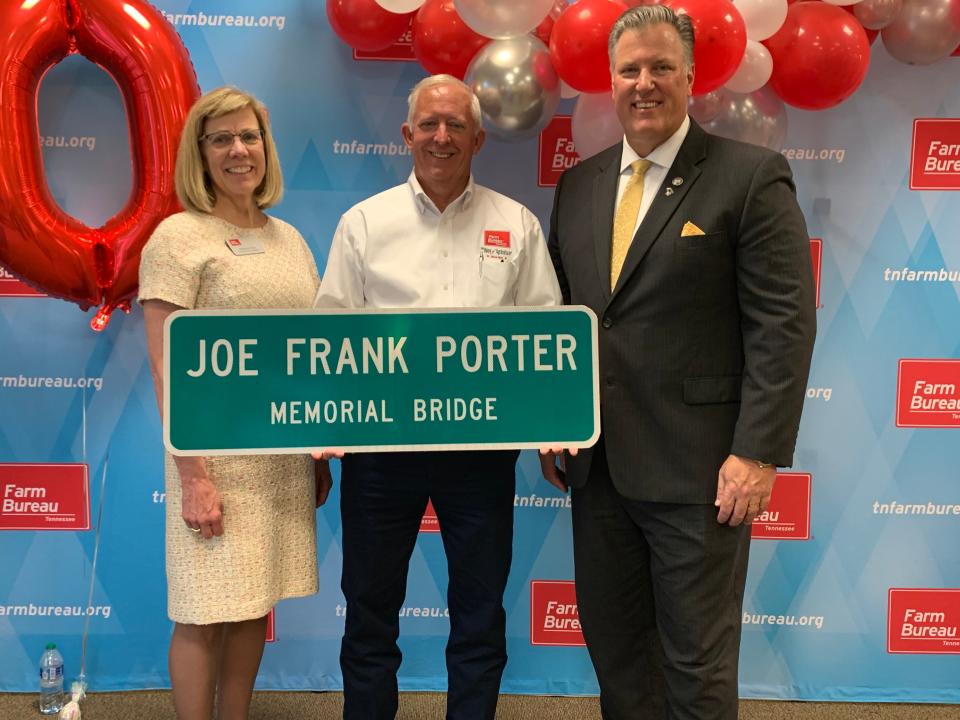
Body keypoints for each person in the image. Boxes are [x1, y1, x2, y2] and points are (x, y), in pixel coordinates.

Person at [541, 6, 817, 719]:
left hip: (702, 474)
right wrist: (551, 415)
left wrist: (757, 454)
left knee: (695, 668)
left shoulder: (751, 176)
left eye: (661, 66)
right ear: (610, 79)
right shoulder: (579, 185)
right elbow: (562, 320)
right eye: (630, 68)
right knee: (620, 658)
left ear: (691, 76)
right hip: (598, 472)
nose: (644, 83)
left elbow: (784, 325)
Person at [314, 74, 561, 720]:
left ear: (479, 138)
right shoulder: (363, 225)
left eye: (455, 125)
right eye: (429, 124)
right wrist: (320, 435)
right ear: (407, 135)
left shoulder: (518, 223)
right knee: (369, 615)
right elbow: (330, 339)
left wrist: (551, 427)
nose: (441, 137)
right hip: (379, 456)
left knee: (479, 617)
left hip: (480, 454)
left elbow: (544, 336)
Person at [139, 86, 330, 720]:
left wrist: (319, 448)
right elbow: (166, 366)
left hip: (279, 459)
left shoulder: (292, 239)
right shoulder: (178, 237)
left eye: (249, 136)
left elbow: (309, 355)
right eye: (221, 138)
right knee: (202, 610)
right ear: (201, 153)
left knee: (254, 601)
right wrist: (192, 474)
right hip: (213, 459)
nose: (238, 150)